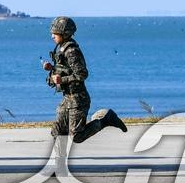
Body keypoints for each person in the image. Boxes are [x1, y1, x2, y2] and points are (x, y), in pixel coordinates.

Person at [43, 16, 127, 146]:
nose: (52, 36)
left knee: (77, 136)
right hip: (67, 98)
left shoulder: (72, 51)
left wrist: (62, 79)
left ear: (65, 33)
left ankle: (105, 119)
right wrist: (51, 71)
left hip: (78, 100)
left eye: (55, 33)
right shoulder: (60, 50)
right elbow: (60, 73)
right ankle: (60, 161)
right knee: (58, 130)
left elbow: (82, 74)